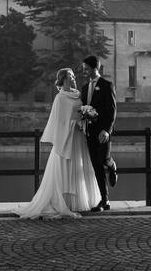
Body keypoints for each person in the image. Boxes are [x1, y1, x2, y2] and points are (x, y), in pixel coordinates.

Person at [17, 68, 101, 218]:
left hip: (78, 138)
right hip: (66, 139)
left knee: (78, 167)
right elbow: (59, 122)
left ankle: (78, 202)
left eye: (74, 76)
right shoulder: (60, 98)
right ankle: (65, 202)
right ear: (63, 79)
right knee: (66, 168)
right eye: (70, 76)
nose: (73, 78)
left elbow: (79, 113)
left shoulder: (78, 95)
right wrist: (74, 124)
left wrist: (85, 120)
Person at [80, 54, 117, 212]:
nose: (84, 72)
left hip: (103, 132)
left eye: (86, 69)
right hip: (89, 132)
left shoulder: (107, 85)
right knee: (96, 165)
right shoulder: (84, 88)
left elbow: (112, 111)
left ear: (95, 69)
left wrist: (107, 131)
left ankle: (112, 165)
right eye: (83, 69)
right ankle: (105, 200)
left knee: (103, 160)